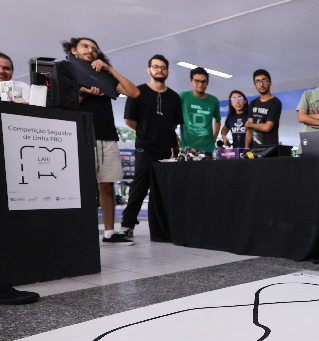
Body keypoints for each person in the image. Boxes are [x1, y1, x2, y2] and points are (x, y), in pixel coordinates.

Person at [62, 37, 140, 246]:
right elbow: (63, 107)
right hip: (81, 136)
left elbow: (134, 92)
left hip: (107, 136)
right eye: (85, 46)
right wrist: (82, 93)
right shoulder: (66, 74)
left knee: (107, 186)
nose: (90, 50)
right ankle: (79, 233)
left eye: (95, 49)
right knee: (80, 187)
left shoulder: (104, 76)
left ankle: (108, 233)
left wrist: (110, 69)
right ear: (73, 51)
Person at [120, 55, 183, 239]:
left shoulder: (174, 97)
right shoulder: (137, 92)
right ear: (149, 70)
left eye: (163, 68)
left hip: (169, 150)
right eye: (156, 67)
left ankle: (170, 226)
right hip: (145, 149)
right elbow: (129, 120)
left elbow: (174, 124)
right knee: (139, 189)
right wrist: (147, 133)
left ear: (167, 72)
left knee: (169, 190)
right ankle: (127, 225)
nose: (159, 70)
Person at [179, 67, 221, 157]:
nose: (200, 84)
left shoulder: (214, 100)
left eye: (203, 81)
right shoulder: (183, 97)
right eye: (197, 81)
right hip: (186, 149)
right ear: (191, 81)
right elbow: (171, 116)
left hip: (207, 149)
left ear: (207, 82)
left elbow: (218, 120)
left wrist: (213, 139)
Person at [245, 70, 282, 149]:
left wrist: (249, 125)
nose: (261, 84)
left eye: (264, 80)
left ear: (270, 83)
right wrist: (246, 149)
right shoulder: (252, 103)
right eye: (258, 81)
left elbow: (267, 127)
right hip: (253, 149)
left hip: (270, 149)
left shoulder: (275, 102)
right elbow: (249, 130)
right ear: (255, 85)